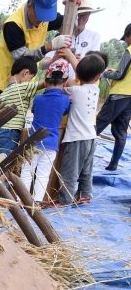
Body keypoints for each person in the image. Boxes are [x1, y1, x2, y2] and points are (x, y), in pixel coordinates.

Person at [0, 0, 78, 95]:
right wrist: (49, 46)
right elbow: (21, 59)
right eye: (39, 16)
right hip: (3, 86)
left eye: (45, 17)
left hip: (25, 86)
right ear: (31, 4)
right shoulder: (13, 25)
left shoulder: (45, 18)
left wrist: (71, 9)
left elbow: (72, 25)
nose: (41, 21)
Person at [55, 52, 106, 205]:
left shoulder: (75, 91)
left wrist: (69, 59)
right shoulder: (96, 90)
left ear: (77, 74)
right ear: (98, 76)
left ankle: (65, 200)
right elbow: (82, 79)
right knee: (86, 170)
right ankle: (85, 195)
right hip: (91, 137)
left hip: (77, 139)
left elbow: (62, 85)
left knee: (69, 171)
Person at [20, 58, 71, 203]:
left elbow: (35, 111)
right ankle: (36, 202)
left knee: (26, 171)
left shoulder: (38, 99)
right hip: (51, 143)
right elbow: (66, 111)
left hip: (33, 142)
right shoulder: (66, 100)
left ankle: (21, 200)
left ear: (46, 80)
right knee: (43, 174)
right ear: (65, 81)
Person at [42, 0, 104, 80]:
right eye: (78, 14)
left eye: (85, 14)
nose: (80, 18)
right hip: (60, 86)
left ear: (89, 15)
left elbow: (95, 67)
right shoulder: (62, 36)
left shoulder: (94, 37)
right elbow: (42, 64)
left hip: (81, 87)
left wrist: (72, 58)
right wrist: (53, 60)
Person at [95, 23, 131, 172]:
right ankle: (113, 165)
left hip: (119, 95)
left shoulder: (129, 51)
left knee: (97, 125)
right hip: (129, 98)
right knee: (121, 131)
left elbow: (120, 74)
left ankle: (80, 158)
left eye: (126, 38)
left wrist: (104, 73)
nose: (126, 42)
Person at [0, 56, 40, 156]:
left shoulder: (6, 91)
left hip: (0, 133)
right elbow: (45, 84)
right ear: (25, 73)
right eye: (30, 78)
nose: (30, 81)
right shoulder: (21, 88)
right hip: (10, 134)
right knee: (4, 166)